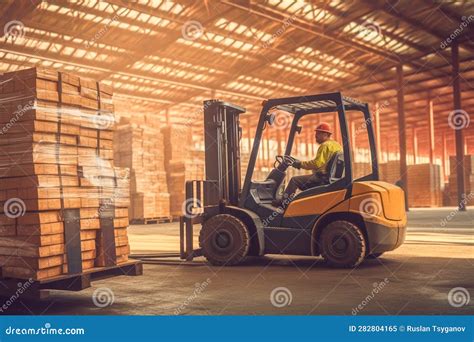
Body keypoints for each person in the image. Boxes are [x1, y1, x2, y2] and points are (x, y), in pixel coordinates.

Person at [272, 122, 342, 207]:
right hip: (331, 178)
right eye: (316, 133)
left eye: (318, 134)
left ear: (325, 134)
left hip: (321, 178)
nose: (315, 136)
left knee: (294, 180)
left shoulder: (325, 146)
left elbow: (317, 163)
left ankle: (284, 203)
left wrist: (300, 164)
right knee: (303, 182)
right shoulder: (337, 145)